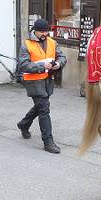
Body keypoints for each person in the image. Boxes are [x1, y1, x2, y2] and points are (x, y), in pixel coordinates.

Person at [16, 18, 66, 154]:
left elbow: (62, 57)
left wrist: (58, 64)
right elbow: (23, 65)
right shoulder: (26, 45)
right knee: (44, 109)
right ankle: (48, 141)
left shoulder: (52, 42)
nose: (44, 34)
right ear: (35, 31)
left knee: (40, 106)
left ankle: (23, 124)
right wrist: (41, 65)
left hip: (47, 81)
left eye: (46, 31)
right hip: (33, 82)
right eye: (41, 32)